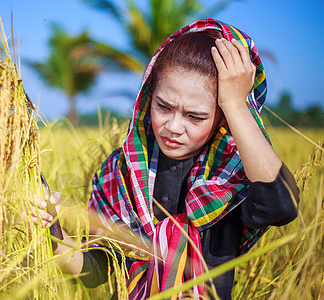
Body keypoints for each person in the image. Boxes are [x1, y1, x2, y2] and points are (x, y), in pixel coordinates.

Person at [29, 18, 299, 300]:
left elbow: (281, 206)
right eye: (163, 106)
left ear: (222, 117)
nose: (173, 126)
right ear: (148, 97)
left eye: (195, 116)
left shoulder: (232, 177)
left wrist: (235, 103)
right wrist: (54, 232)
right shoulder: (121, 173)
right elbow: (97, 271)